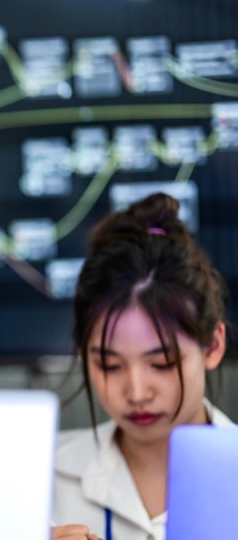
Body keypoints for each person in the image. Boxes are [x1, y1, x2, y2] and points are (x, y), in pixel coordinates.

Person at [51, 192, 234, 540]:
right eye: (109, 365)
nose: (136, 393)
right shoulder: (34, 477)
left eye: (162, 363)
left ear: (213, 345)